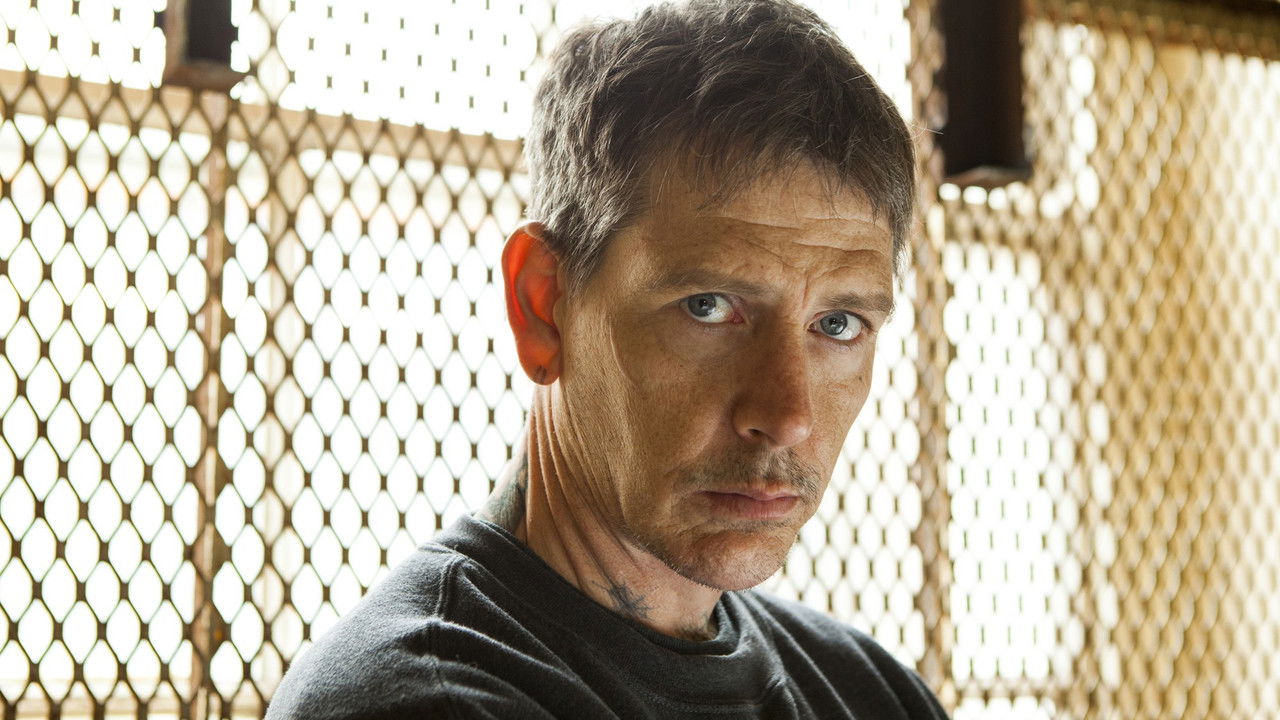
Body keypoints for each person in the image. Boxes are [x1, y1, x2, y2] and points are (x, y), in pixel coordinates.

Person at [267, 0, 947, 717]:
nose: (787, 416)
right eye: (708, 306)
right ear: (544, 306)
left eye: (837, 324)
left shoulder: (874, 692)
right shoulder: (423, 700)